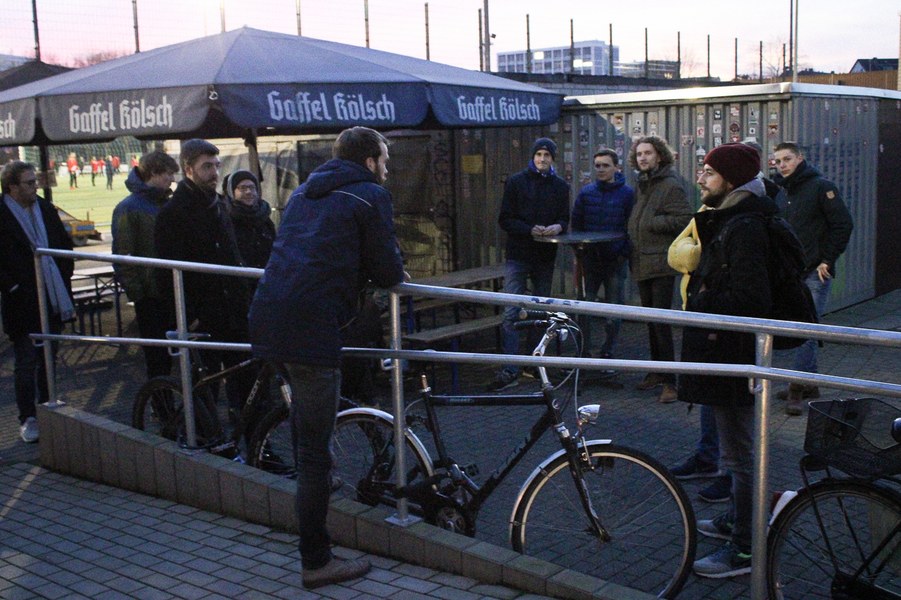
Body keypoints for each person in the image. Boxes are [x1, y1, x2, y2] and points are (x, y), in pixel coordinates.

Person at [249, 126, 404, 589]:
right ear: (370, 162)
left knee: (308, 432)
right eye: (385, 161)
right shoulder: (369, 196)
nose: (387, 170)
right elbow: (389, 271)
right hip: (311, 328)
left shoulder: (303, 193)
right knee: (315, 456)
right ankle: (316, 561)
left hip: (268, 317)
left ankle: (318, 488)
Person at [678, 143, 775, 578]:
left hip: (736, 352)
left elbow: (752, 299)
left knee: (740, 455)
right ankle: (738, 520)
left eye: (709, 172)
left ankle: (746, 548)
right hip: (726, 349)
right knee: (735, 453)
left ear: (731, 180)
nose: (701, 178)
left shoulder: (744, 225)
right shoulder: (733, 217)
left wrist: (702, 299)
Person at [154, 139, 253, 427]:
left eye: (217, 166)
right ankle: (202, 439)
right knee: (206, 387)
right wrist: (188, 317)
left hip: (233, 312)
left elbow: (232, 256)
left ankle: (255, 439)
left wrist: (244, 299)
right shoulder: (173, 213)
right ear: (188, 169)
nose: (214, 173)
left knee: (245, 382)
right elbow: (166, 272)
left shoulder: (219, 204)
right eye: (207, 167)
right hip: (204, 317)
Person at [773, 141, 853, 415]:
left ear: (800, 158)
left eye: (787, 159)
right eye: (778, 161)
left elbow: (843, 224)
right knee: (804, 328)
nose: (782, 165)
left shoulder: (821, 187)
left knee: (806, 330)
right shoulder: (782, 192)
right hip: (792, 273)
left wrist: (827, 259)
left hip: (815, 272)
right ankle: (811, 383)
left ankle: (796, 388)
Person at [0, 161, 75, 443]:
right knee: (26, 361)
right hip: (21, 301)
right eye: (29, 183)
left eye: (35, 181)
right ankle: (28, 417)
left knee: (49, 357)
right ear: (12, 187)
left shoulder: (44, 208)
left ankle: (47, 405)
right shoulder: (2, 214)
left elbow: (63, 244)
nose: (35, 187)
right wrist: (13, 286)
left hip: (52, 296)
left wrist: (63, 275)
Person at [490, 137, 570, 392]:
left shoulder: (561, 187)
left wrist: (558, 227)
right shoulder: (516, 182)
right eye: (538, 155)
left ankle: (534, 364)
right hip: (518, 255)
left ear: (553, 159)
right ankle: (510, 368)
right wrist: (529, 229)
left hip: (545, 257)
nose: (542, 159)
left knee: (540, 313)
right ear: (532, 157)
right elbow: (505, 219)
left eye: (547, 155)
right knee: (511, 312)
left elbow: (565, 218)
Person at [627, 135, 693, 403]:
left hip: (660, 264)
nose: (643, 157)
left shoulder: (670, 185)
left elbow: (685, 219)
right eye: (639, 154)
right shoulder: (643, 184)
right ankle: (657, 371)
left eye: (648, 153)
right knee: (651, 322)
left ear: (660, 156)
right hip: (642, 261)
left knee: (661, 324)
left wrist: (653, 223)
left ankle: (671, 383)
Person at [112, 150, 179, 379]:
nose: (172, 179)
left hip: (170, 290)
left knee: (173, 354)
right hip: (151, 295)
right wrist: (139, 295)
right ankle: (160, 399)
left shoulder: (166, 203)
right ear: (154, 173)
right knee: (157, 358)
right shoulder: (129, 208)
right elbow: (123, 255)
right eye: (168, 173)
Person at [570, 149, 634, 361]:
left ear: (616, 167)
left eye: (605, 165)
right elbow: (576, 225)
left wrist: (623, 254)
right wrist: (579, 252)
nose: (600, 169)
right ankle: (583, 351)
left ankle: (608, 350)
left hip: (615, 261)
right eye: (597, 165)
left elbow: (632, 227)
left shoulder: (627, 194)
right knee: (583, 308)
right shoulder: (586, 193)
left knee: (613, 311)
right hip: (590, 262)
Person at [224, 170, 276, 286]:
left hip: (266, 281)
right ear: (232, 192)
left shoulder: (264, 218)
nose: (248, 192)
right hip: (239, 282)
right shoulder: (226, 219)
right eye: (242, 188)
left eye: (252, 188)